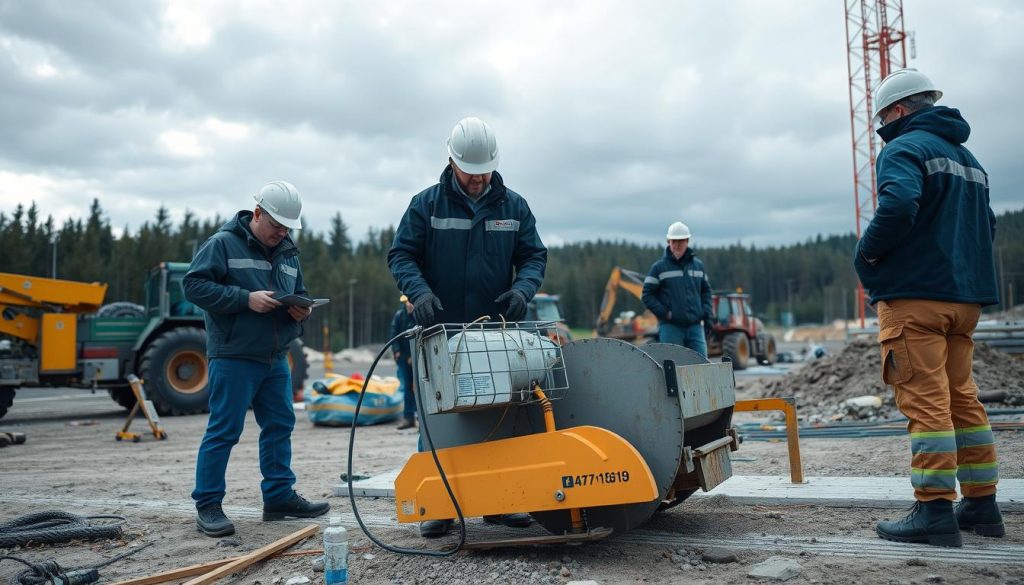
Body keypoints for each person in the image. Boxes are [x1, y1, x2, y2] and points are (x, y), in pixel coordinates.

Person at [854, 69, 1002, 547]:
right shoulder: (969, 160)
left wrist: (868, 255)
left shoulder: (903, 149)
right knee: (963, 399)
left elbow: (897, 208)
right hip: (964, 302)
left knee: (926, 404)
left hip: (915, 300)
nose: (883, 129)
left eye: (883, 119)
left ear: (898, 111)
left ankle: (935, 510)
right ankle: (981, 504)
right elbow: (988, 226)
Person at [388, 116, 547, 538]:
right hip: (438, 329)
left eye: (483, 173)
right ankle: (439, 505)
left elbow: (534, 256)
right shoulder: (426, 205)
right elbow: (401, 256)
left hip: (495, 331)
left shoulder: (514, 206)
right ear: (451, 161)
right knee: (439, 416)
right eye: (469, 173)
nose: (477, 181)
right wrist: (419, 293)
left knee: (501, 414)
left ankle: (501, 503)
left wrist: (523, 290)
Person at [184, 180, 329, 537]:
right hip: (234, 355)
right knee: (224, 430)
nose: (281, 233)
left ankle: (279, 497)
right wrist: (245, 299)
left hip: (275, 356)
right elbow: (194, 286)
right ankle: (209, 505)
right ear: (258, 213)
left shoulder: (288, 251)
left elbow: (300, 292)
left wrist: (302, 310)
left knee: (280, 426)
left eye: (287, 228)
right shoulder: (221, 244)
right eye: (276, 225)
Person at [641, 221, 713, 357]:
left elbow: (706, 292)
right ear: (668, 242)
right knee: (672, 368)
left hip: (696, 327)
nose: (677, 245)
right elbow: (647, 295)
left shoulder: (698, 266)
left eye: (681, 241)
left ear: (687, 241)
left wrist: (707, 315)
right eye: (674, 241)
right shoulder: (659, 268)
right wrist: (665, 314)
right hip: (670, 327)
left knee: (702, 366)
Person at [390, 294, 417, 430]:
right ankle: (408, 418)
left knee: (419, 388)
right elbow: (394, 335)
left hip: (417, 357)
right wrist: (396, 351)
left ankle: (421, 420)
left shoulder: (419, 315)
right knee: (407, 388)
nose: (409, 304)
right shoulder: (399, 316)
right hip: (404, 358)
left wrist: (415, 355)